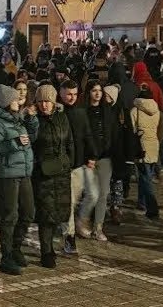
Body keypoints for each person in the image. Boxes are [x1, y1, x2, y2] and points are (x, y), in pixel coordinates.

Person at [0, 83, 38, 275]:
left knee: (29, 212)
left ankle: (16, 247)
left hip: (24, 172)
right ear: (7, 102)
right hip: (7, 174)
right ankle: (6, 256)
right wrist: (13, 143)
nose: (19, 101)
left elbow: (33, 137)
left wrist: (32, 120)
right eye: (15, 99)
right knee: (10, 215)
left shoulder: (18, 120)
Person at [31, 83, 73, 267]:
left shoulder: (62, 117)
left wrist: (69, 161)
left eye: (47, 101)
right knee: (45, 214)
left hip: (62, 172)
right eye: (41, 101)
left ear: (54, 101)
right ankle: (46, 251)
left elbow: (69, 141)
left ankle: (51, 247)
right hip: (43, 173)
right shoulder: (34, 120)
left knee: (58, 212)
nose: (44, 105)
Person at [59, 80, 99, 250]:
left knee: (93, 195)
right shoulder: (58, 113)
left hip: (80, 163)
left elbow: (87, 134)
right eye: (69, 94)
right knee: (69, 203)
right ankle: (69, 236)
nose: (72, 97)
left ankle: (80, 221)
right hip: (64, 165)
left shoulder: (80, 112)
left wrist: (92, 155)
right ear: (61, 93)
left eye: (75, 94)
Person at [81, 79, 117, 240]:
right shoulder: (83, 111)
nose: (97, 93)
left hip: (105, 157)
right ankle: (82, 221)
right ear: (89, 92)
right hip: (88, 158)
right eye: (94, 90)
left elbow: (112, 133)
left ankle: (98, 227)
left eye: (100, 90)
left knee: (103, 193)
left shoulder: (107, 111)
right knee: (91, 194)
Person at [130, 83, 163, 221]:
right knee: (146, 174)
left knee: (145, 177)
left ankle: (152, 208)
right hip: (154, 145)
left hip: (141, 147)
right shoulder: (157, 111)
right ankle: (141, 202)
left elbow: (132, 130)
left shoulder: (135, 110)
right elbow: (160, 130)